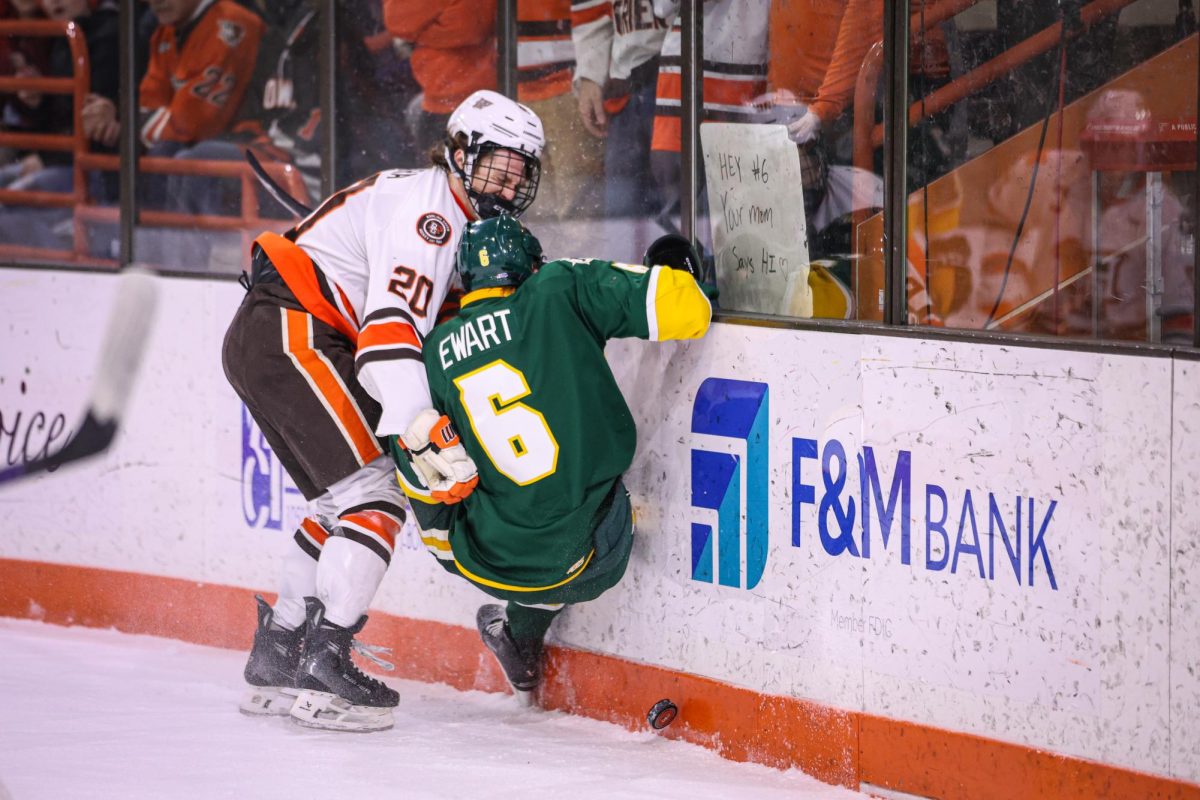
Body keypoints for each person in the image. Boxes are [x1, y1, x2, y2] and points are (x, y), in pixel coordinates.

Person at [223, 89, 546, 732]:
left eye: (519, 176)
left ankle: (281, 653)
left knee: (336, 505)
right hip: (295, 333)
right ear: (459, 155)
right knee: (377, 494)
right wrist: (421, 425)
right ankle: (327, 665)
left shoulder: (433, 203)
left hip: (272, 333)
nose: (506, 188)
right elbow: (389, 333)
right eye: (495, 168)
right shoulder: (435, 217)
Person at [390, 216, 712, 703]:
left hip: (480, 560)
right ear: (529, 264)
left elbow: (415, 469)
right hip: (593, 557)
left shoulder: (431, 352)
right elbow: (692, 311)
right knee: (576, 501)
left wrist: (448, 553)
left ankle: (519, 637)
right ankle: (522, 622)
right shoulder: (556, 287)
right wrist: (674, 273)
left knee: (538, 515)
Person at [571, 0, 670, 218]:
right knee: (621, 217)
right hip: (626, 84)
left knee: (679, 210)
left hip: (681, 78)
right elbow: (592, 9)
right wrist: (590, 74)